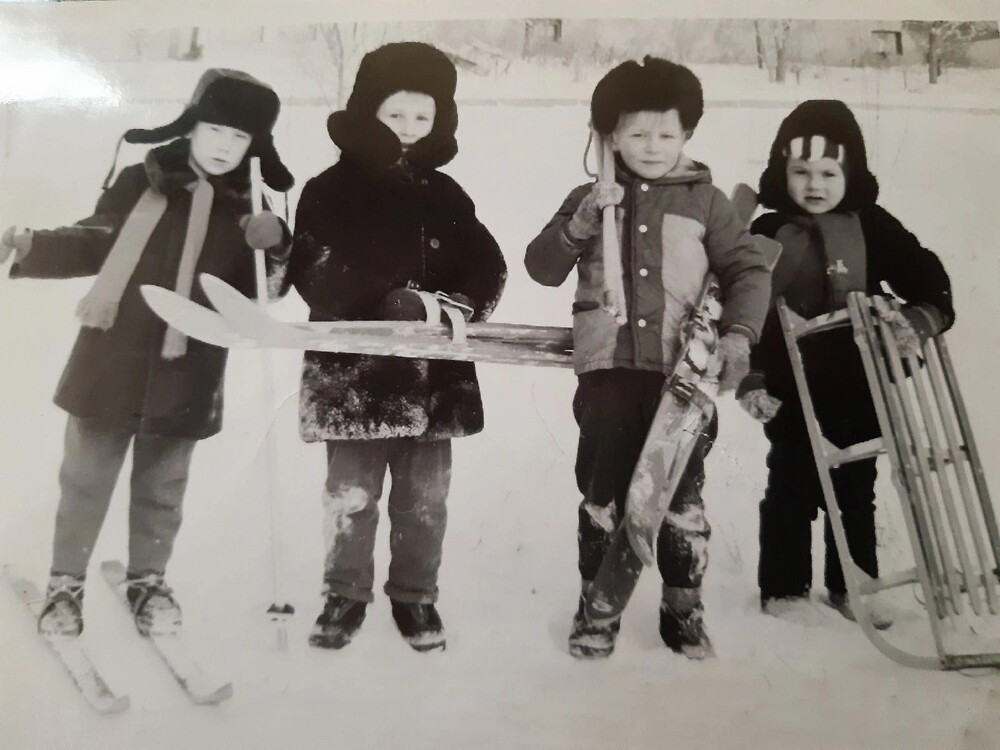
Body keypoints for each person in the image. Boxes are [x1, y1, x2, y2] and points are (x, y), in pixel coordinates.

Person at [0, 68, 294, 638]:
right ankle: (65, 583)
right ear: (192, 124)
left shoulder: (255, 203)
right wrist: (33, 244)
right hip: (112, 356)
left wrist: (277, 245)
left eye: (239, 137)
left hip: (190, 367)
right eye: (214, 129)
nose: (223, 146)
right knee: (86, 477)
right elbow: (97, 239)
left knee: (163, 486)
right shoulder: (144, 178)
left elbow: (266, 292)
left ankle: (148, 580)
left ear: (255, 145)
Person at [524, 57, 771, 659]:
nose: (652, 146)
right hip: (608, 374)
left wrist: (738, 335)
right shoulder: (590, 197)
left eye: (666, 133)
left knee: (680, 496)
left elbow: (746, 270)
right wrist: (579, 224)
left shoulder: (707, 202)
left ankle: (683, 611)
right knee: (603, 492)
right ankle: (597, 608)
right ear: (610, 137)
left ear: (687, 134)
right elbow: (542, 267)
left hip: (681, 375)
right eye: (636, 133)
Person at [284, 42, 507, 653]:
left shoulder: (446, 194)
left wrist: (459, 305)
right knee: (351, 494)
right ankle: (344, 593)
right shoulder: (329, 189)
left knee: (424, 499)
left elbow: (486, 263)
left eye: (422, 118)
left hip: (433, 377)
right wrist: (387, 299)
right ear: (367, 113)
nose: (408, 130)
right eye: (394, 115)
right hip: (352, 374)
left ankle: (415, 597)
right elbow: (315, 265)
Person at [737, 99, 954, 628]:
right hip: (792, 383)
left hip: (860, 384)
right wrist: (752, 376)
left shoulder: (871, 227)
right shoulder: (766, 234)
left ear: (850, 173)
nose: (814, 183)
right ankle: (784, 589)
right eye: (801, 171)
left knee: (856, 485)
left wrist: (919, 318)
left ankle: (854, 584)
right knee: (791, 483)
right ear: (780, 173)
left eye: (829, 172)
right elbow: (744, 310)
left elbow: (926, 279)